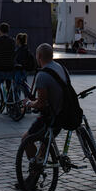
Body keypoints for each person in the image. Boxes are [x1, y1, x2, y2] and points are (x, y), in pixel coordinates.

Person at [17, 43, 67, 172]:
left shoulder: (42, 76)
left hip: (52, 117)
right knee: (44, 147)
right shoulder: (61, 68)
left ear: (38, 56)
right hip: (64, 113)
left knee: (26, 139)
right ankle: (36, 174)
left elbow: (41, 104)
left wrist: (28, 103)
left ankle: (34, 173)